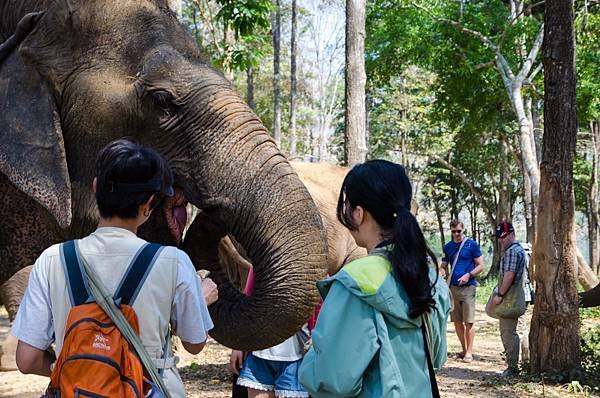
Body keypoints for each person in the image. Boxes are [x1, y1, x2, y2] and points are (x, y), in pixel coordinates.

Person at [11, 139, 216, 397]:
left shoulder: (52, 260)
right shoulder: (173, 262)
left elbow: (26, 359)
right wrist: (201, 299)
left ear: (96, 188)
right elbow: (194, 343)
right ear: (149, 204)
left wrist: (73, 365)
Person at [298, 160, 451, 397]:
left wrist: (311, 358)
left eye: (347, 205)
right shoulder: (431, 278)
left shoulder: (354, 284)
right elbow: (438, 356)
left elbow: (334, 380)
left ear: (358, 214)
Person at [229, 266, 310, 398]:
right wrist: (238, 345)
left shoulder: (311, 263)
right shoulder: (261, 262)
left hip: (296, 356)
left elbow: (319, 307)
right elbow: (247, 302)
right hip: (258, 355)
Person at [440, 219, 484, 362]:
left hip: (468, 287)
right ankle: (464, 350)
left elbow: (480, 265)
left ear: (463, 230)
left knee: (469, 321)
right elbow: (444, 264)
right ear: (451, 231)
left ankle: (470, 352)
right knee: (457, 321)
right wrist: (442, 271)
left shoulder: (472, 245)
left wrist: (469, 275)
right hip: (453, 288)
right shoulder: (448, 247)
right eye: (454, 231)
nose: (457, 234)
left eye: (459, 231)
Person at [492, 221, 531, 376]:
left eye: (503, 236)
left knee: (508, 331)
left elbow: (509, 275)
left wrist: (500, 295)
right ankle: (527, 364)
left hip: (511, 298)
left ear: (512, 234)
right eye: (499, 237)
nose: (501, 240)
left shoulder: (511, 252)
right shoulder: (520, 249)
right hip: (523, 296)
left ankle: (513, 368)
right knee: (521, 331)